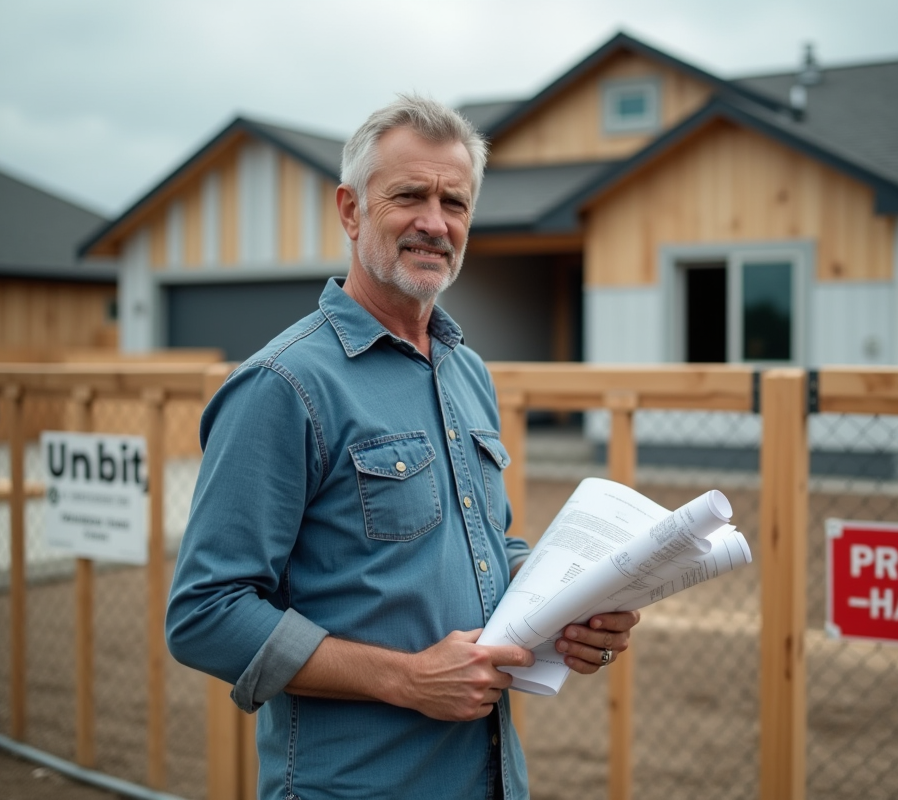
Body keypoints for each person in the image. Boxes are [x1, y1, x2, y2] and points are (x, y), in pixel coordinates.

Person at [165, 94, 641, 800]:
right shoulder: (284, 385)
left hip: (489, 778)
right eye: (409, 196)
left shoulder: (465, 370)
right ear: (351, 210)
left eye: (455, 202)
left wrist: (574, 602)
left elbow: (478, 546)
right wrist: (407, 679)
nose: (434, 222)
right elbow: (205, 613)